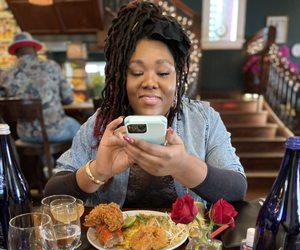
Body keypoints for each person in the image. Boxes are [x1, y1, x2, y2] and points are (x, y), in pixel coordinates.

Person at [45, 0, 247, 208]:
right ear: (123, 78)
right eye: (137, 73)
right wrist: (98, 171)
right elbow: (52, 194)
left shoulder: (204, 120)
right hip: (113, 240)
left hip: (189, 240)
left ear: (177, 78)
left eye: (163, 73)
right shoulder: (101, 124)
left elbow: (237, 189)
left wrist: (183, 166)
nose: (150, 82)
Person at [0, 32, 80, 143]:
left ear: (16, 53)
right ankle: (62, 159)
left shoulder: (6, 75)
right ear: (34, 49)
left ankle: (46, 158)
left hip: (25, 134)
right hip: (54, 131)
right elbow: (68, 98)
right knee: (82, 131)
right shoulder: (51, 66)